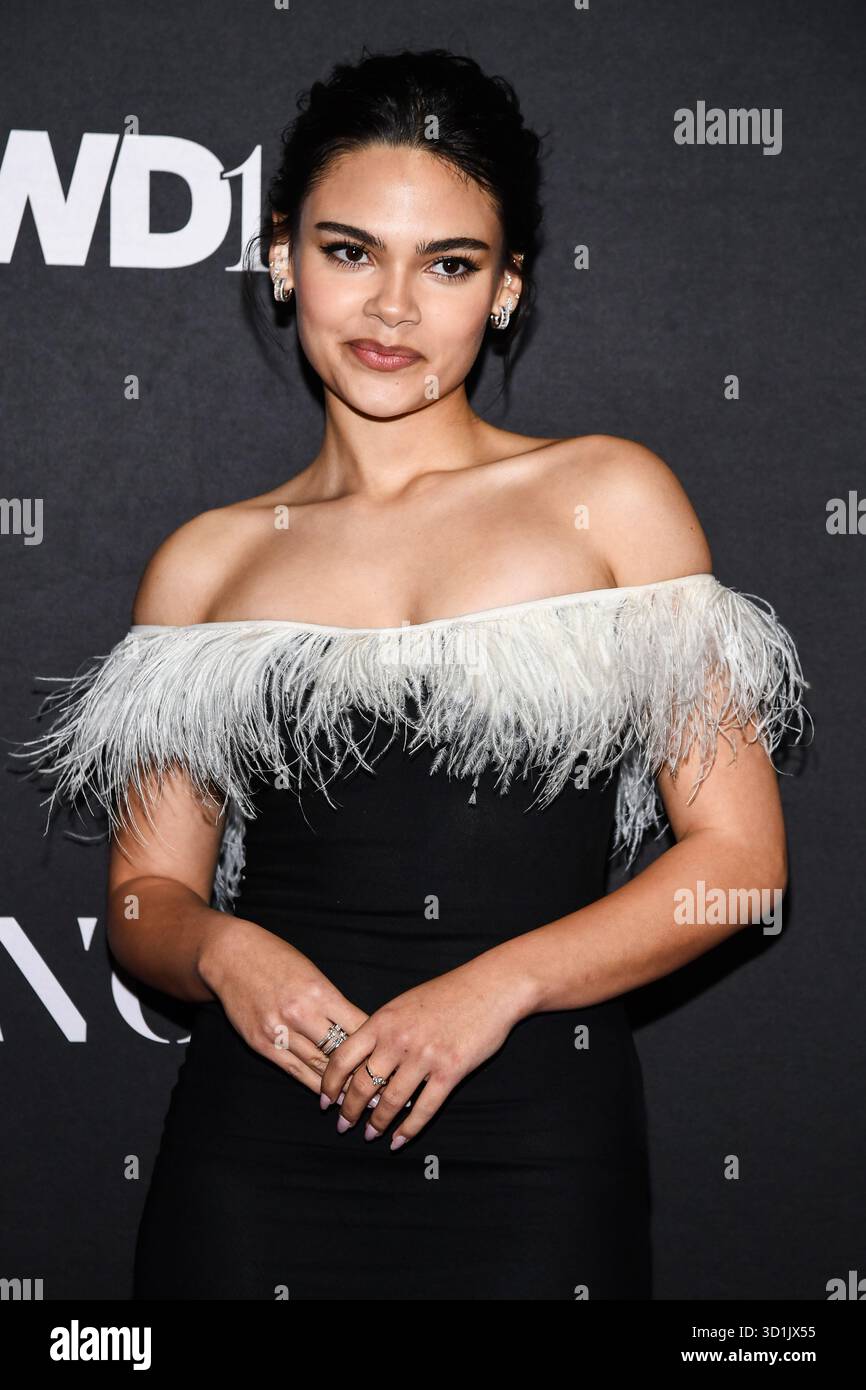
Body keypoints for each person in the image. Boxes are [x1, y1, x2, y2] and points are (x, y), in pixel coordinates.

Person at [12, 48, 811, 1300]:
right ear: (280, 259)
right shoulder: (205, 563)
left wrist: (494, 988)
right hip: (256, 1146)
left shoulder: (607, 497)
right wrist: (224, 952)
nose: (392, 310)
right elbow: (144, 899)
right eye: (348, 252)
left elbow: (738, 862)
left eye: (447, 263)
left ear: (504, 291)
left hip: (535, 1141)